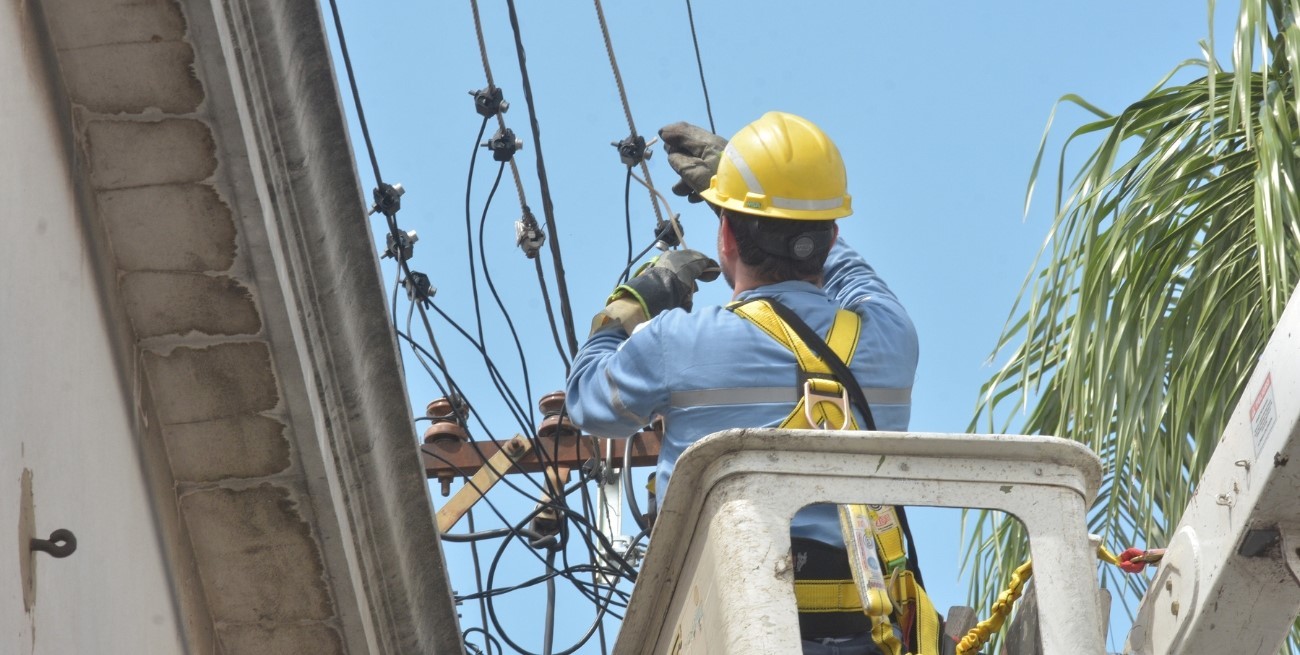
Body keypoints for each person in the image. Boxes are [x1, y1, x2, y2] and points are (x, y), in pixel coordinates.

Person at [565, 112, 922, 655]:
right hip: (869, 635)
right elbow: (850, 272)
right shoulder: (890, 337)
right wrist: (771, 197)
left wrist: (633, 302)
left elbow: (587, 401)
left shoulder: (676, 343)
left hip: (727, 630)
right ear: (830, 236)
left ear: (726, 236)